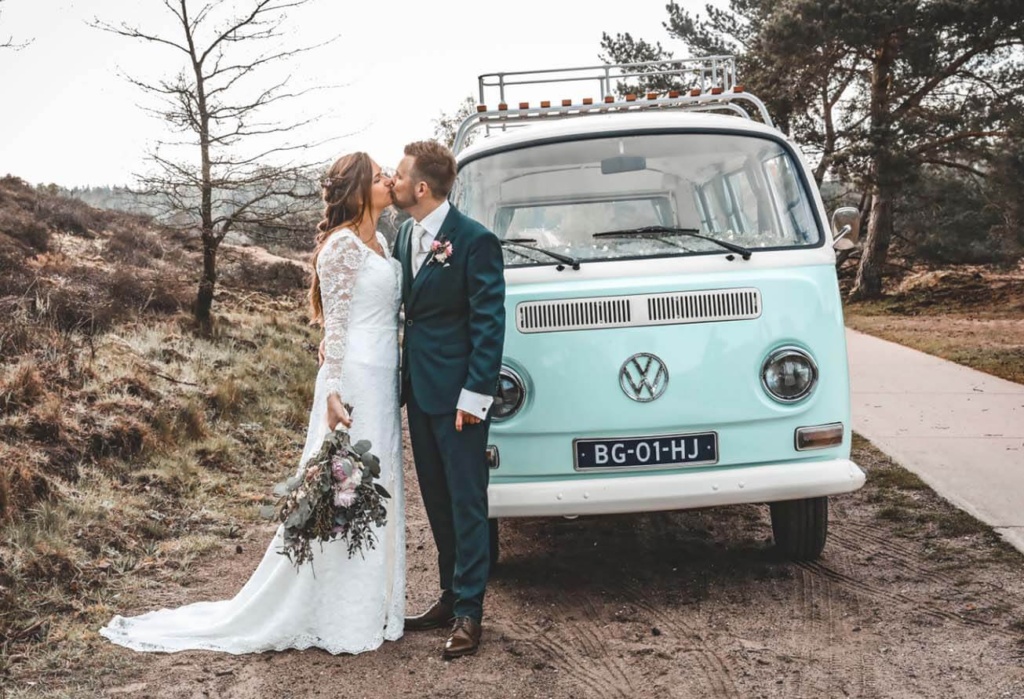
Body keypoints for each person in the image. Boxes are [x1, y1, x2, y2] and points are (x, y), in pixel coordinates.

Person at [99, 153, 406, 655]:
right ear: (356, 191)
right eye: (377, 177)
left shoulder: (383, 244)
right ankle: (334, 612)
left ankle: (371, 606)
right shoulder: (341, 247)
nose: (387, 181)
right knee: (342, 492)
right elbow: (336, 326)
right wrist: (332, 390)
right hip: (352, 382)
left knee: (378, 484)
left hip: (382, 381)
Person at [390, 140, 506, 659]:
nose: (392, 182)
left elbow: (489, 324)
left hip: (461, 398)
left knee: (467, 502)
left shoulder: (475, 241)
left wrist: (475, 397)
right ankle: (448, 594)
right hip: (419, 391)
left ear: (421, 187)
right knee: (436, 499)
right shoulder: (404, 235)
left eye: (399, 176)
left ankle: (470, 613)